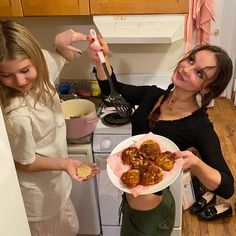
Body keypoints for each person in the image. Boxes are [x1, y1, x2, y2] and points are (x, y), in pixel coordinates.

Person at [87, 34, 234, 235]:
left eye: (200, 73)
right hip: (131, 204)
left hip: (150, 220)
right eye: (190, 60)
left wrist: (196, 164)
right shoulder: (153, 95)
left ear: (206, 87)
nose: (186, 69)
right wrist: (101, 59)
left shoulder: (198, 126)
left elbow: (227, 187)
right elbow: (113, 92)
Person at [0, 19, 100, 236]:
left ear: (36, 59)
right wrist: (65, 163)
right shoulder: (16, 115)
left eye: (25, 69)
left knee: (71, 229)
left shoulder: (42, 64)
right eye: (5, 75)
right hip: (39, 199)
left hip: (57, 186)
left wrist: (60, 44)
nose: (19, 80)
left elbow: (63, 58)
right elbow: (24, 162)